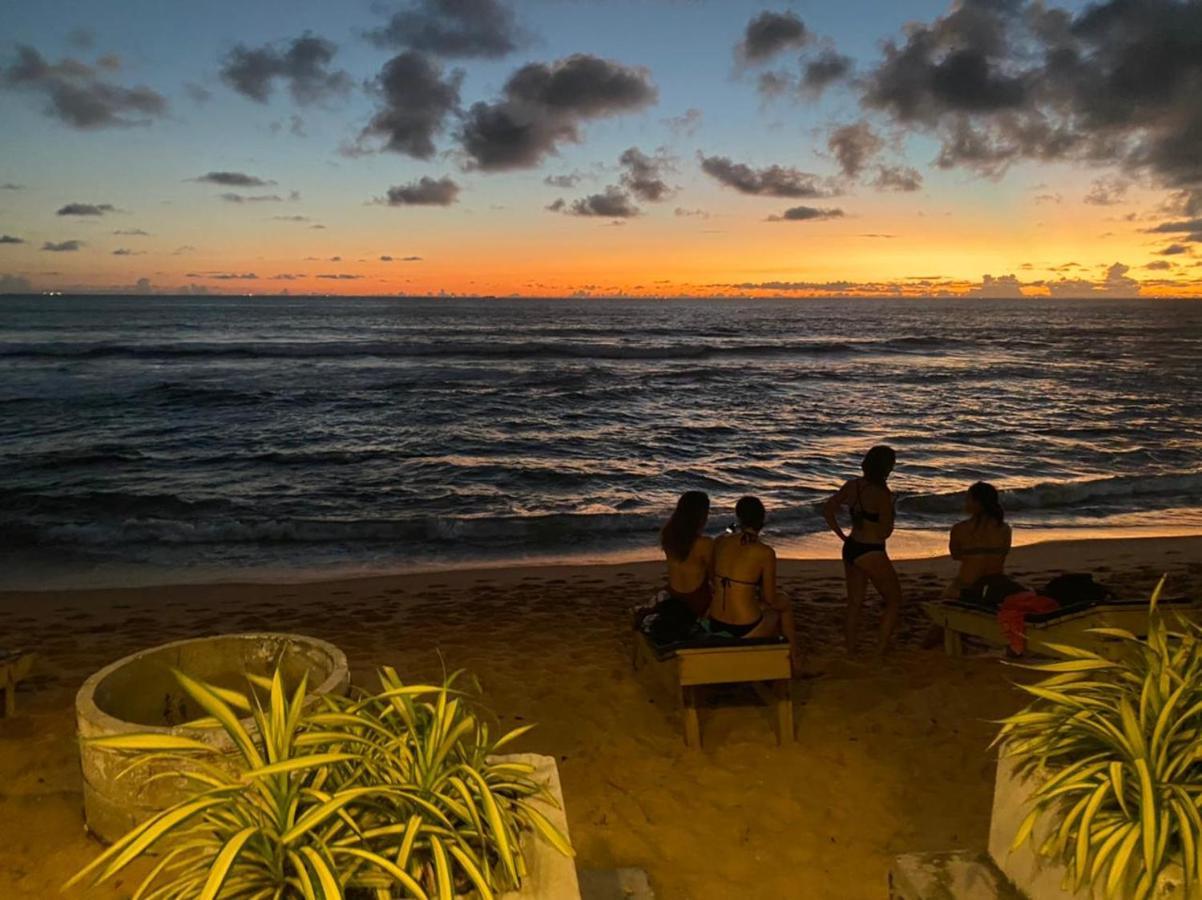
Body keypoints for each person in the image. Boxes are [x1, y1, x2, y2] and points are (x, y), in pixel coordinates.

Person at [823, 445, 903, 655]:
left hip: (851, 546)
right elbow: (885, 532)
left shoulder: (852, 486)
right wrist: (892, 508)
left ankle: (850, 649)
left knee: (855, 603)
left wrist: (841, 536)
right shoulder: (882, 494)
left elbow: (828, 509)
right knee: (894, 601)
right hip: (871, 549)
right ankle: (880, 650)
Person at [707, 496, 802, 674]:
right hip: (745, 628)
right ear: (762, 520)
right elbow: (770, 598)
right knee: (784, 605)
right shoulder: (765, 552)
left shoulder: (720, 542)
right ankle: (795, 660)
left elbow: (713, 578)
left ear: (739, 517)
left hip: (716, 622)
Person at [943, 482, 1012, 601]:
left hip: (969, 585)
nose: (965, 502)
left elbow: (956, 555)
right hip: (996, 585)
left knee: (947, 593)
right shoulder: (1005, 529)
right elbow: (1004, 553)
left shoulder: (959, 529)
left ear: (977, 503)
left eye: (968, 499)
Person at [660, 490, 714, 618]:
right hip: (697, 601)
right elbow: (715, 577)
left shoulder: (668, 535)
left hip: (674, 596)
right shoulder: (705, 543)